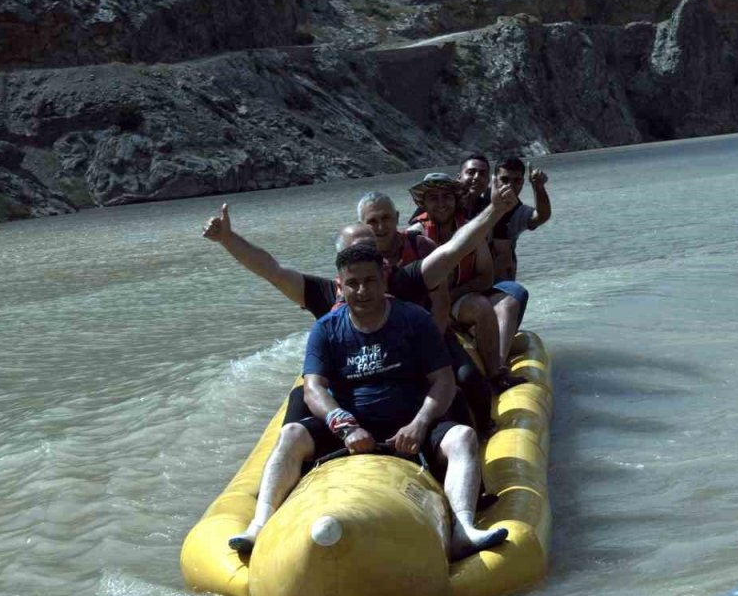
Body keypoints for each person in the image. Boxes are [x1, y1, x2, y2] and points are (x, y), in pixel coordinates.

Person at [226, 243, 509, 560]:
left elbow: (443, 380)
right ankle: (260, 525)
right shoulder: (326, 330)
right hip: (352, 426)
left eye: (370, 281)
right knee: (291, 434)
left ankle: (462, 529)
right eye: (353, 283)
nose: (362, 290)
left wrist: (419, 424)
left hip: (410, 424)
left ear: (384, 281)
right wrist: (345, 427)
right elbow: (313, 388)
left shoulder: (414, 320)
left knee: (463, 437)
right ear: (340, 286)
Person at [201, 184, 520, 430]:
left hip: (413, 364)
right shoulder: (324, 292)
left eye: (371, 251)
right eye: (357, 253)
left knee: (467, 381)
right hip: (355, 376)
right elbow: (270, 268)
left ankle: (483, 438)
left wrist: (493, 211)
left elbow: (453, 250)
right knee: (299, 398)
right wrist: (228, 239)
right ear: (340, 264)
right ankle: (293, 472)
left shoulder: (403, 279)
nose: (365, 264)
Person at [407, 173, 522, 391]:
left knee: (508, 302)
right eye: (434, 198)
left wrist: (452, 296)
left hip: (459, 299)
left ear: (456, 199)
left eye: (446, 197)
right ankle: (489, 374)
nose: (441, 204)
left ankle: (496, 369)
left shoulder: (469, 231)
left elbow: (485, 276)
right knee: (479, 305)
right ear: (423, 203)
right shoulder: (414, 235)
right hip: (427, 307)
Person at [488, 157, 551, 282]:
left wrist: (538, 187)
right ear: (494, 180)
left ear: (522, 182)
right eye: (504, 180)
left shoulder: (518, 211)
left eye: (516, 181)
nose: (510, 185)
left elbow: (541, 216)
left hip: (501, 276)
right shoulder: (478, 201)